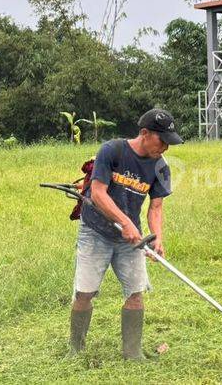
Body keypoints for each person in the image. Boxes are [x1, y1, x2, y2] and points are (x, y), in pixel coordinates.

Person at [68, 108, 183, 360]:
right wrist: (125, 221)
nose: (165, 148)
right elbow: (97, 193)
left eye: (169, 143)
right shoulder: (113, 151)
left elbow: (156, 206)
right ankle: (75, 350)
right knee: (84, 292)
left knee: (135, 292)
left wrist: (157, 236)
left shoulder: (160, 168)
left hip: (130, 239)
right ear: (144, 133)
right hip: (95, 231)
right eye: (161, 140)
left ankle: (132, 353)